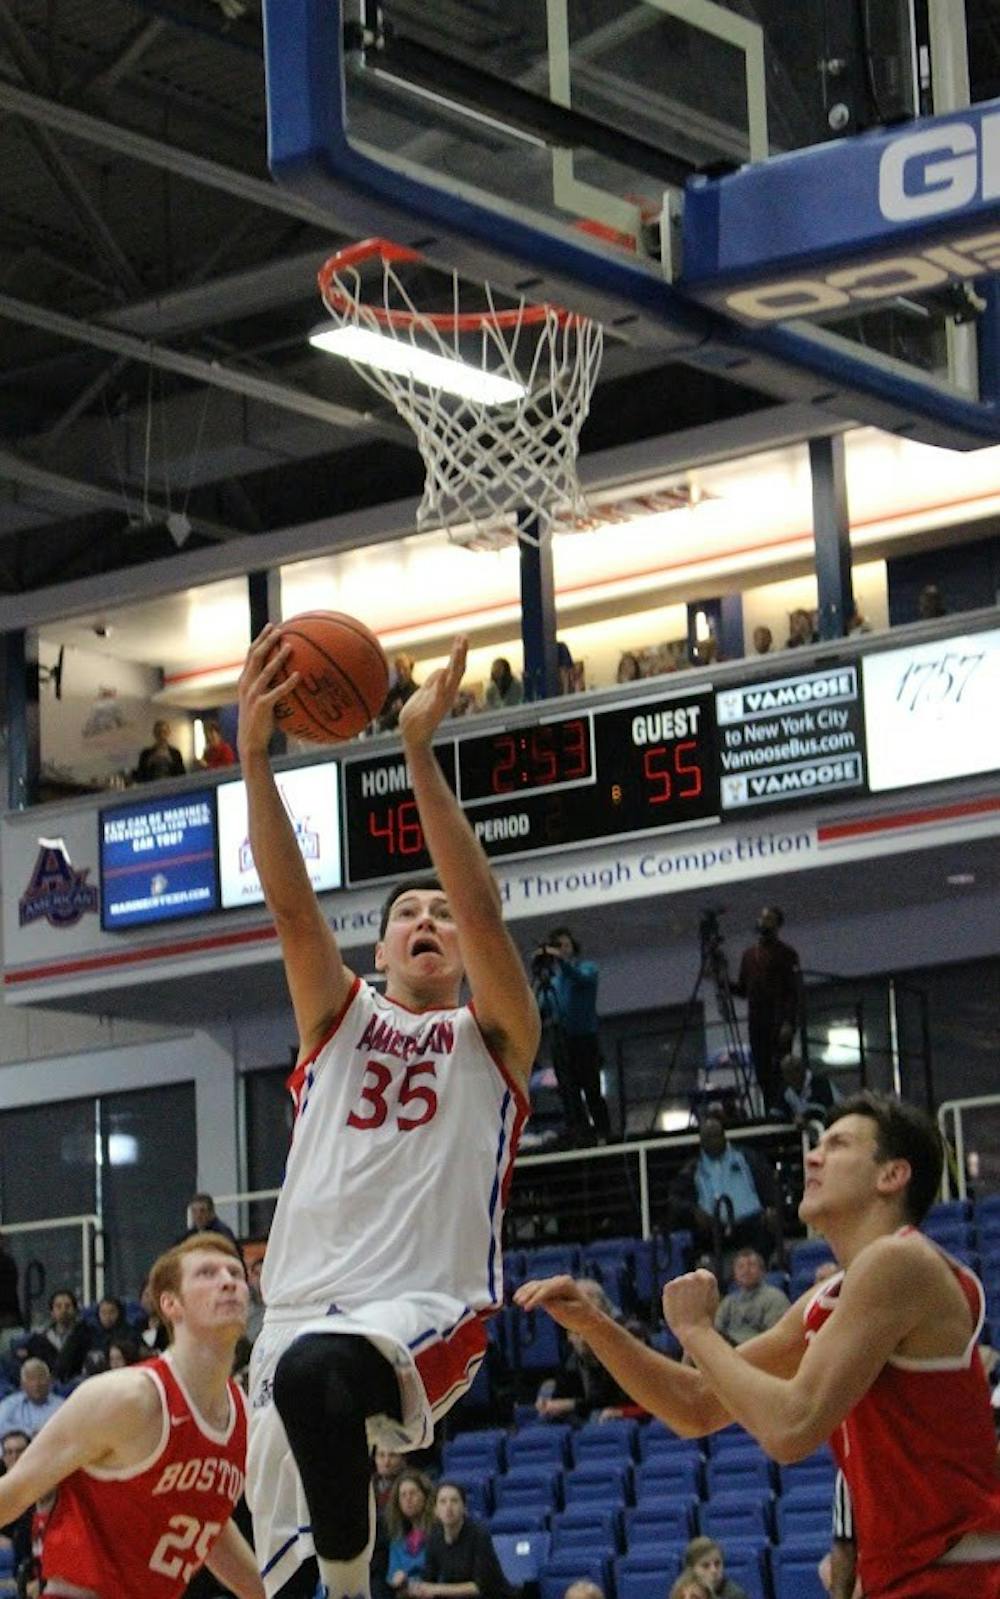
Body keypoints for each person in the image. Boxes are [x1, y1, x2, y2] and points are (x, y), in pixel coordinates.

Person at [237, 627, 538, 1599]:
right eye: (407, 913)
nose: (428, 922)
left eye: (438, 914)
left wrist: (416, 752)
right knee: (273, 1572)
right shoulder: (339, 1018)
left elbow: (485, 912)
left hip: (419, 1298)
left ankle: (359, 1590)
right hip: (291, 1310)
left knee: (324, 1378)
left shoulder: (491, 1037)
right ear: (378, 954)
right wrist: (252, 757)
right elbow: (292, 912)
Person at [516, 1092, 1000, 1599]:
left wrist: (699, 1331)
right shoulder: (834, 1293)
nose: (813, 1155)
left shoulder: (901, 1262)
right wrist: (595, 1326)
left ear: (891, 1176)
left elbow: (791, 1428)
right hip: (907, 1575)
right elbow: (696, 1407)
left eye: (837, 1145)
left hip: (956, 1574)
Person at [0, 1233, 263, 1599]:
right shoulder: (128, 1397)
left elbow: (206, 1523)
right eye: (207, 1273)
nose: (228, 1281)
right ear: (171, 1304)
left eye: (236, 1272)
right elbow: (11, 1495)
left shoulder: (242, 1417)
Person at [533, 928, 611, 1146]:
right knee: (569, 1092)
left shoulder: (587, 969)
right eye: (558, 946)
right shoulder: (555, 980)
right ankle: (579, 1132)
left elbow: (580, 978)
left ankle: (604, 1132)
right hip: (563, 1042)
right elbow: (542, 1008)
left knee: (592, 1089)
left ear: (573, 948)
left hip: (585, 1040)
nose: (562, 950)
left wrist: (559, 960)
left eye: (565, 946)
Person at [667, 1115, 777, 1264]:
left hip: (752, 1225)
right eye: (708, 1137)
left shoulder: (747, 1158)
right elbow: (675, 1199)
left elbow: (769, 1185)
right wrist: (694, 1211)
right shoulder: (692, 1169)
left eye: (716, 1136)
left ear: (724, 1136)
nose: (713, 1141)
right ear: (701, 1141)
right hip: (712, 1231)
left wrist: (771, 1208)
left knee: (766, 1234)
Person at [731, 906, 800, 1115]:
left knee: (780, 1069)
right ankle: (771, 1109)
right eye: (761, 917)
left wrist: (789, 1021)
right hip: (757, 1021)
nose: (763, 921)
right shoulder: (749, 955)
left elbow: (793, 991)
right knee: (762, 1071)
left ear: (777, 925)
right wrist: (723, 982)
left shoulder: (787, 954)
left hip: (778, 1020)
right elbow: (744, 989)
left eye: (768, 918)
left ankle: (784, 1108)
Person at [409, 1482, 513, 1599]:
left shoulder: (479, 1535)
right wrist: (419, 1589)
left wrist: (437, 1589)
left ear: (464, 1508)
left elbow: (480, 1587)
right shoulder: (434, 1537)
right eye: (443, 1502)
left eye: (454, 1501)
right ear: (436, 1511)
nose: (448, 1507)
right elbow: (428, 1579)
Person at [714, 1249, 789, 1347]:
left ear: (763, 1271)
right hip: (727, 1350)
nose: (746, 1270)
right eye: (740, 1267)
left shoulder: (775, 1298)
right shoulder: (728, 1301)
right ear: (735, 1274)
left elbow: (776, 1338)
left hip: (759, 1352)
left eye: (751, 1265)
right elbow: (715, 1330)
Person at [384, 1470, 436, 1593]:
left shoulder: (438, 1531)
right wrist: (397, 1579)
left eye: (413, 1493)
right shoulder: (398, 1539)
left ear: (425, 1496)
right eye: (403, 1495)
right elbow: (393, 1575)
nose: (408, 1499)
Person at [0, 1363, 63, 1441]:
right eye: (31, 1379)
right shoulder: (10, 1403)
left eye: (41, 1378)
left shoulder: (62, 1406)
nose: (36, 1384)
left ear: (50, 1382)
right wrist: (28, 1432)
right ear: (22, 1384)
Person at [774, 1054, 840, 1127]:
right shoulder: (785, 1089)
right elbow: (777, 1113)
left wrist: (806, 1117)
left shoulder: (821, 1083)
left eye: (794, 1071)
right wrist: (791, 1118)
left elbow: (824, 1109)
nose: (790, 1077)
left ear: (802, 1070)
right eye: (786, 1073)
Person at [682, 1537, 748, 1599]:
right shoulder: (682, 1592)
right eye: (705, 1566)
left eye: (717, 1564)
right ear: (691, 1570)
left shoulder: (736, 1596)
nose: (714, 1570)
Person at [378, 653, 419, 731]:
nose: (401, 673)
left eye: (405, 669)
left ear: (411, 669)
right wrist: (393, 713)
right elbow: (381, 724)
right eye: (399, 669)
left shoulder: (418, 692)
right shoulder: (389, 695)